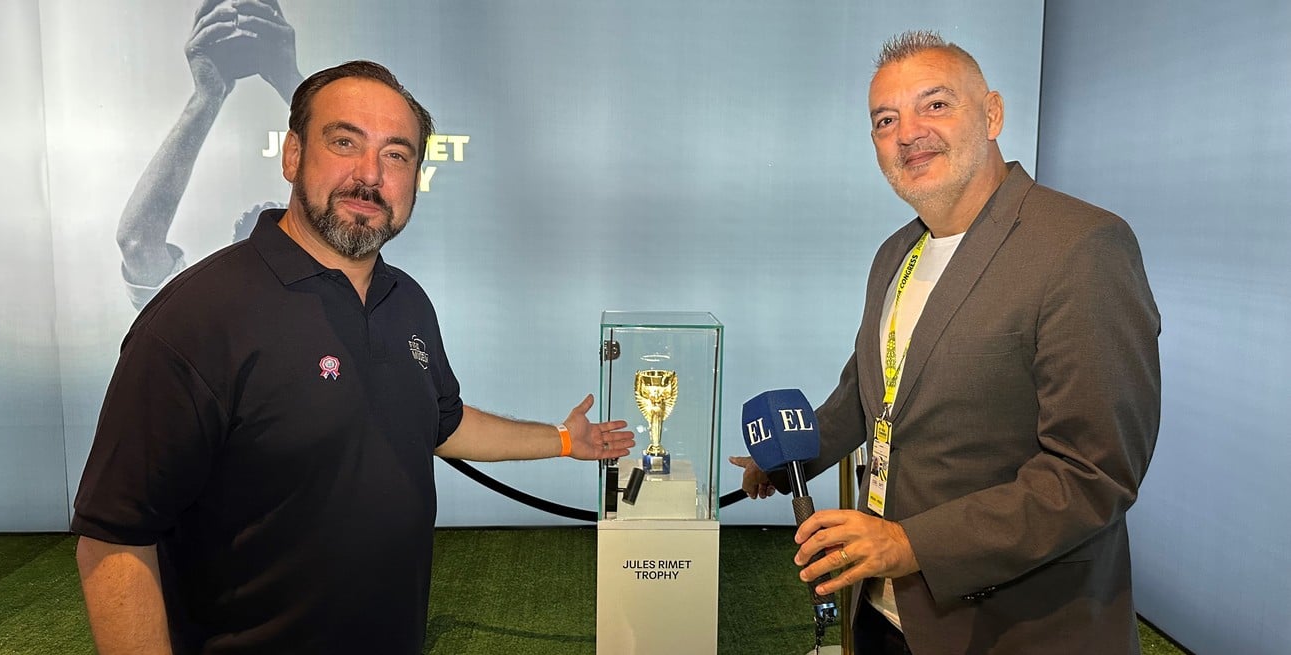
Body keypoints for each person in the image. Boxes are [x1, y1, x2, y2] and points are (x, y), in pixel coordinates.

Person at [73, 60, 635, 655]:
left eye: (396, 155)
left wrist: (566, 440)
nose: (370, 175)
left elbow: (441, 422)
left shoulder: (407, 302)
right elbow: (114, 538)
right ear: (292, 156)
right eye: (344, 142)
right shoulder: (196, 320)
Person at [732, 30, 1160, 654]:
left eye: (935, 105)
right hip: (882, 609)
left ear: (992, 114)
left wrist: (911, 545)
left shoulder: (1081, 246)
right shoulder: (895, 253)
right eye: (886, 119)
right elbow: (873, 390)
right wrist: (798, 453)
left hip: (1010, 626)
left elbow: (1093, 473)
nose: (909, 133)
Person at [117, 0, 301, 309]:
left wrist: (292, 82)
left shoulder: (341, 304)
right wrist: (207, 95)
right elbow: (138, 245)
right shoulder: (206, 317)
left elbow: (138, 244)